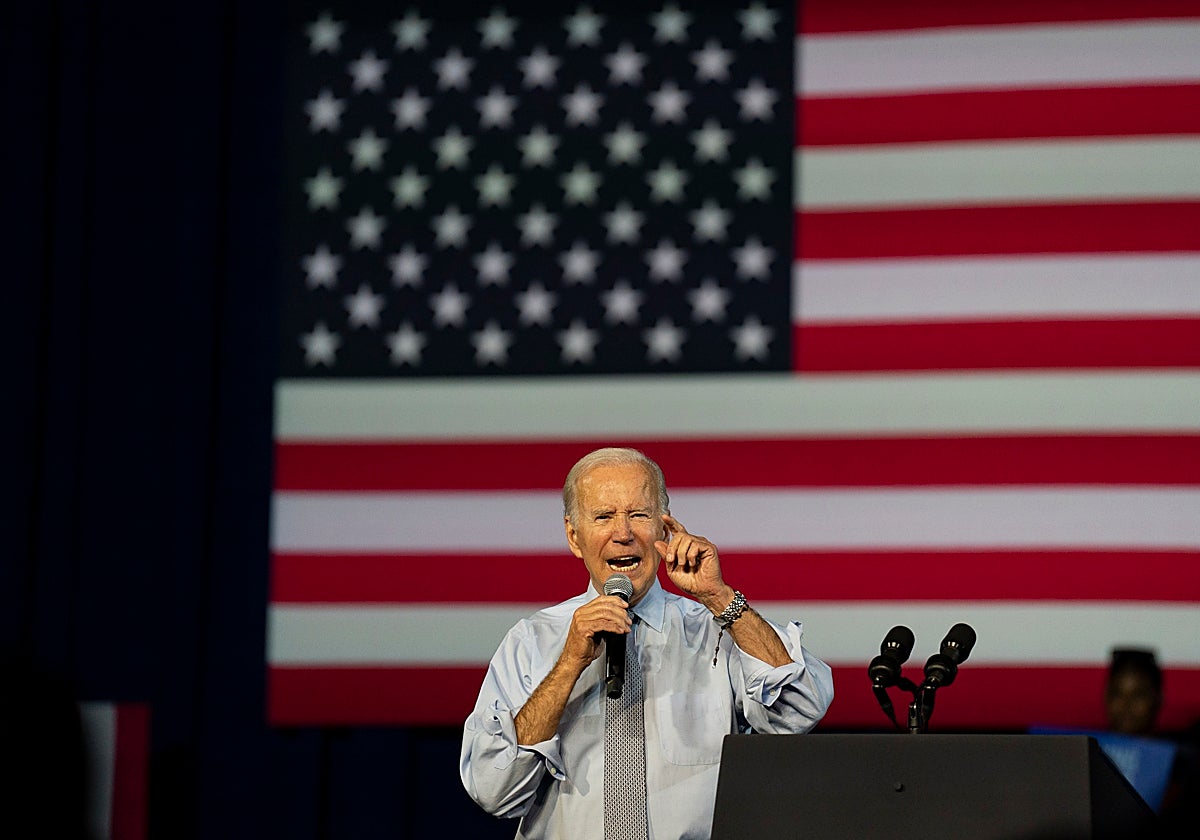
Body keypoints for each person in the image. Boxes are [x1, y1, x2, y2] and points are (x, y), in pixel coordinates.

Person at [460, 447, 834, 839]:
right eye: (603, 517)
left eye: (638, 515)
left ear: (663, 528)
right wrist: (569, 664)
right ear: (574, 536)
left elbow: (801, 711)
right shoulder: (533, 640)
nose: (623, 534)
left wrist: (720, 598)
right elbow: (493, 791)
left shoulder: (715, 629)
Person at [1105, 647, 1163, 736]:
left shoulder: (1177, 749)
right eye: (1117, 694)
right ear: (1106, 696)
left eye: (1138, 695)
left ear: (1158, 699)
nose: (1126, 705)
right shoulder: (1085, 747)